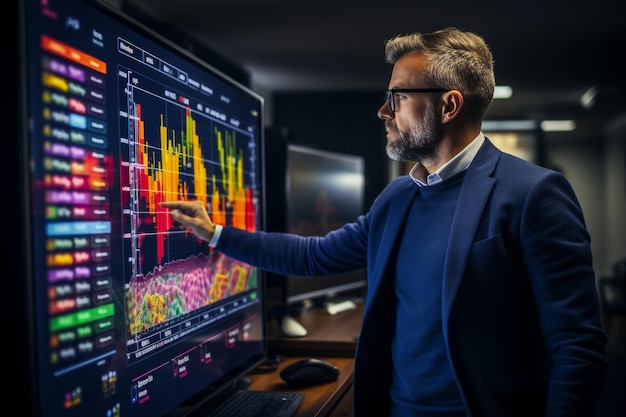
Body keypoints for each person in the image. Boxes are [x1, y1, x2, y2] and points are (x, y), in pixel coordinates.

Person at [161, 27, 608, 417]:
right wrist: (214, 232)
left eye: (398, 97)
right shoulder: (398, 197)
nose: (383, 111)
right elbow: (314, 255)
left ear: (449, 105)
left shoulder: (533, 193)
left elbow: (578, 348)